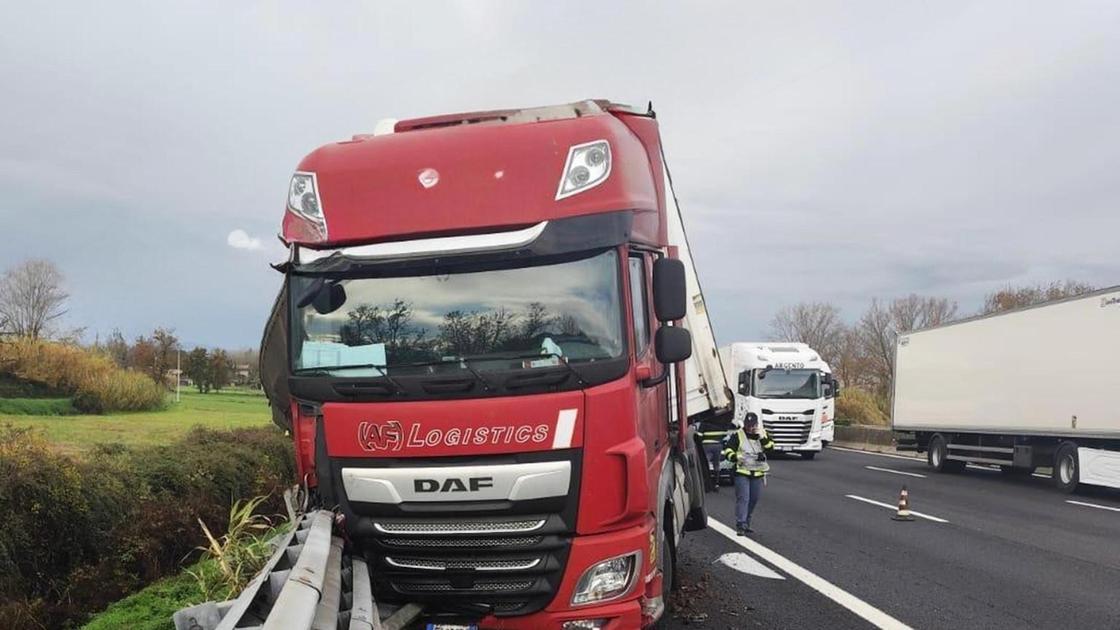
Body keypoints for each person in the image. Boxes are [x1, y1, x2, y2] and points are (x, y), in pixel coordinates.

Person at [721, 412, 775, 535]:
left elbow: (771, 447)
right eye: (748, 425)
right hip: (742, 471)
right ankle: (741, 524)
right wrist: (735, 457)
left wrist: (762, 437)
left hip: (758, 472)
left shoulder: (762, 434)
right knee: (743, 498)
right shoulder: (738, 435)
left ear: (756, 424)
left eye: (752, 425)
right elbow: (728, 450)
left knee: (753, 499)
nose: (750, 428)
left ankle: (747, 522)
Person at [697, 414, 736, 492]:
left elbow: (699, 436)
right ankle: (716, 484)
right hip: (718, 446)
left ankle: (706, 484)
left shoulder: (704, 423)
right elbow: (726, 433)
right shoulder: (722, 423)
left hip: (706, 445)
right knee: (716, 464)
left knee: (705, 465)